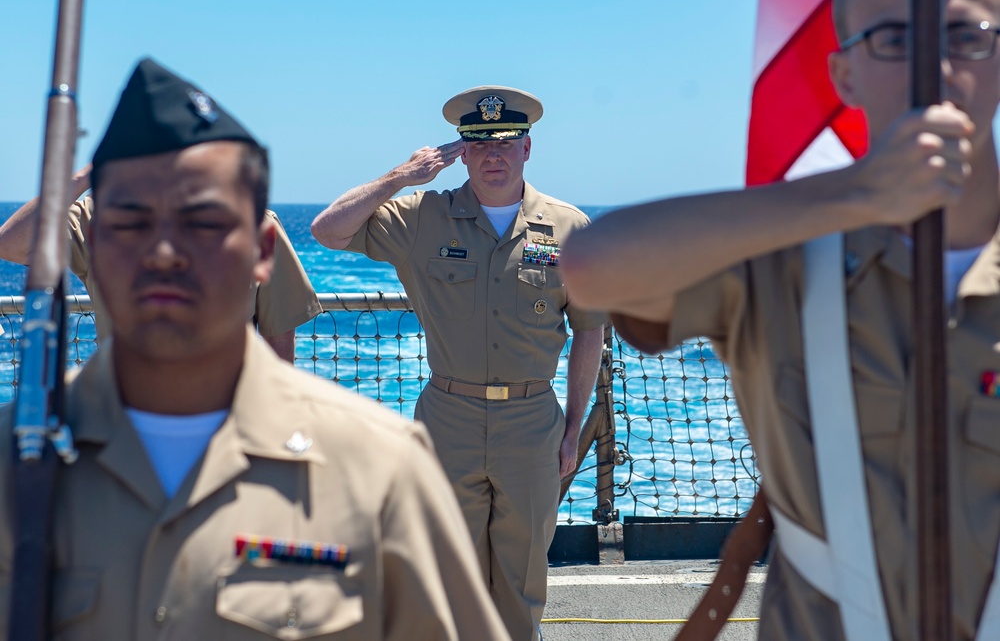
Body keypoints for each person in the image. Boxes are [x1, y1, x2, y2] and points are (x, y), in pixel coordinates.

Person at [561, 0, 1000, 639]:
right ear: (843, 76)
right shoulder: (787, 257)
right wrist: (858, 193)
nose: (935, 67)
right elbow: (592, 266)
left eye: (967, 36)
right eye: (894, 39)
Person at [0, 58, 510, 640]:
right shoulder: (16, 461)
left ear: (263, 249)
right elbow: (15, 244)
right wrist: (92, 173)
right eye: (131, 221)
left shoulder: (380, 469)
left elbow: (279, 332)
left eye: (203, 222)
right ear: (93, 240)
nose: (165, 252)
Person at [311, 86, 606, 640]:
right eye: (480, 143)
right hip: (449, 419)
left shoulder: (569, 228)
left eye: (506, 142)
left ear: (527, 148)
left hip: (531, 422)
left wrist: (573, 428)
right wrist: (400, 177)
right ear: (461, 153)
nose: (494, 154)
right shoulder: (422, 217)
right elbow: (328, 230)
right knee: (448, 576)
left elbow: (589, 329)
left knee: (522, 578)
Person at [0, 167, 321, 362]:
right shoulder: (95, 219)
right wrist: (85, 176)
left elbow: (279, 341)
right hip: (124, 420)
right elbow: (11, 244)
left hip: (225, 416)